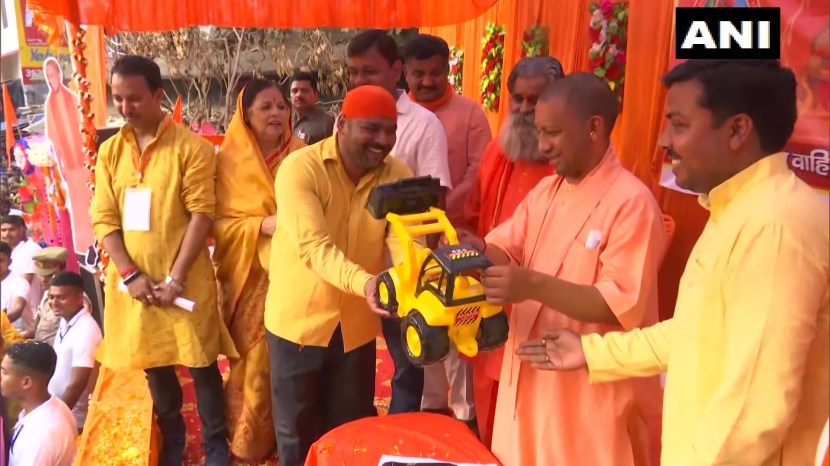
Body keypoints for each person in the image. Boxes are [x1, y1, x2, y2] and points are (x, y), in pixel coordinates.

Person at [527, 60, 830, 466]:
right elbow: (696, 331)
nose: (663, 140)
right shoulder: (737, 209)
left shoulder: (774, 226)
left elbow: (755, 411)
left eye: (679, 125)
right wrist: (592, 352)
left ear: (738, 130)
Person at [455, 72, 665, 466]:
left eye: (552, 132)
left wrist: (530, 285)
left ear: (593, 129)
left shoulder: (631, 203)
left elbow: (617, 303)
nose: (543, 145)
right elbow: (507, 246)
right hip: (529, 372)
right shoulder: (546, 191)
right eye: (539, 131)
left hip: (586, 387)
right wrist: (477, 252)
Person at [89, 55, 234, 465]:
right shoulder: (110, 153)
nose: (125, 107)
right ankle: (173, 436)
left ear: (158, 96)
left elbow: (202, 213)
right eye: (118, 98)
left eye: (134, 98)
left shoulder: (192, 148)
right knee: (154, 364)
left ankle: (215, 444)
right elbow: (103, 217)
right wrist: (131, 274)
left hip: (185, 282)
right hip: (132, 283)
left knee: (201, 362)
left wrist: (174, 278)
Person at [264, 85, 412, 466]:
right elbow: (315, 247)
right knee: (296, 435)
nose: (383, 141)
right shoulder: (300, 168)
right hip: (298, 326)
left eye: (390, 131)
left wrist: (413, 277)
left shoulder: (397, 174)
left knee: (350, 433)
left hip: (356, 330)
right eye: (372, 129)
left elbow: (405, 240)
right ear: (342, 124)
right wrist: (366, 282)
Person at [346, 28, 452, 415]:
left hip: (400, 270)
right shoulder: (348, 116)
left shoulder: (424, 125)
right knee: (353, 362)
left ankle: (401, 434)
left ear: (396, 71)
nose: (358, 81)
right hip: (352, 269)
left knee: (407, 365)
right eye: (353, 72)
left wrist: (421, 274)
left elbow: (436, 202)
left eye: (368, 72)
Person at [462, 56, 564, 443]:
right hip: (491, 291)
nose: (523, 110)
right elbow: (474, 211)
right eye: (516, 99)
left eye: (534, 100)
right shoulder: (499, 150)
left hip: (543, 304)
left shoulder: (570, 163)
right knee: (487, 392)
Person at [401, 33, 492, 433]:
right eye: (418, 73)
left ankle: (464, 414)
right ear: (405, 71)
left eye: (436, 73)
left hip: (455, 233)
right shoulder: (397, 118)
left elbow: (479, 171)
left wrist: (443, 212)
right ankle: (430, 406)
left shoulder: (470, 114)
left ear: (447, 70)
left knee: (458, 319)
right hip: (405, 239)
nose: (427, 82)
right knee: (421, 317)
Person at [214, 78, 305, 461]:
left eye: (281, 106)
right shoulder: (226, 162)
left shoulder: (303, 156)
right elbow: (213, 222)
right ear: (245, 114)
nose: (276, 113)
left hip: (295, 275)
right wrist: (258, 226)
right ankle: (246, 439)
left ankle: (287, 437)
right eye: (265, 107)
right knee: (252, 362)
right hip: (247, 276)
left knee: (285, 360)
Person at [43, 57, 95, 255]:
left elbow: (85, 127)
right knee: (78, 209)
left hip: (84, 162)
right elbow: (51, 140)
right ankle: (84, 246)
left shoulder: (73, 97)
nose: (53, 78)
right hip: (68, 169)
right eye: (49, 75)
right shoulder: (49, 104)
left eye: (54, 73)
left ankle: (98, 240)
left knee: (91, 201)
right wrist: (60, 165)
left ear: (60, 73)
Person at [2, 341, 77, 465]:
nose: (1, 377)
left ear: (26, 382)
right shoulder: (57, 405)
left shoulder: (39, 439)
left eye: (4, 372)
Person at [45, 271, 102, 433]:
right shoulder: (65, 320)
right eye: (51, 297)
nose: (53, 302)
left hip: (74, 419)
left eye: (61, 297)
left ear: (79, 298)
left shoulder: (86, 330)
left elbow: (78, 383)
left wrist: (57, 417)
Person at [32, 246, 93, 345]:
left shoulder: (75, 298)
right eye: (41, 274)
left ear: (62, 270)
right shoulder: (47, 293)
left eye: (49, 275)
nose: (43, 280)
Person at [0, 213, 42, 327]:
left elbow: (25, 284)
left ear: (22, 229)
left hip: (28, 316)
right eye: (3, 230)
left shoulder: (32, 249)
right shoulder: (7, 250)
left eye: (11, 229)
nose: (6, 234)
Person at [290, 70, 334, 145]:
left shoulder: (327, 124)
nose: (298, 95)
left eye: (304, 90)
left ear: (315, 95)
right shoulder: (286, 122)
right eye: (294, 91)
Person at [0, 242, 32, 338]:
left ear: (9, 262)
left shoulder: (20, 283)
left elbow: (17, 311)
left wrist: (3, 319)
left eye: (1, 260)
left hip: (20, 339)